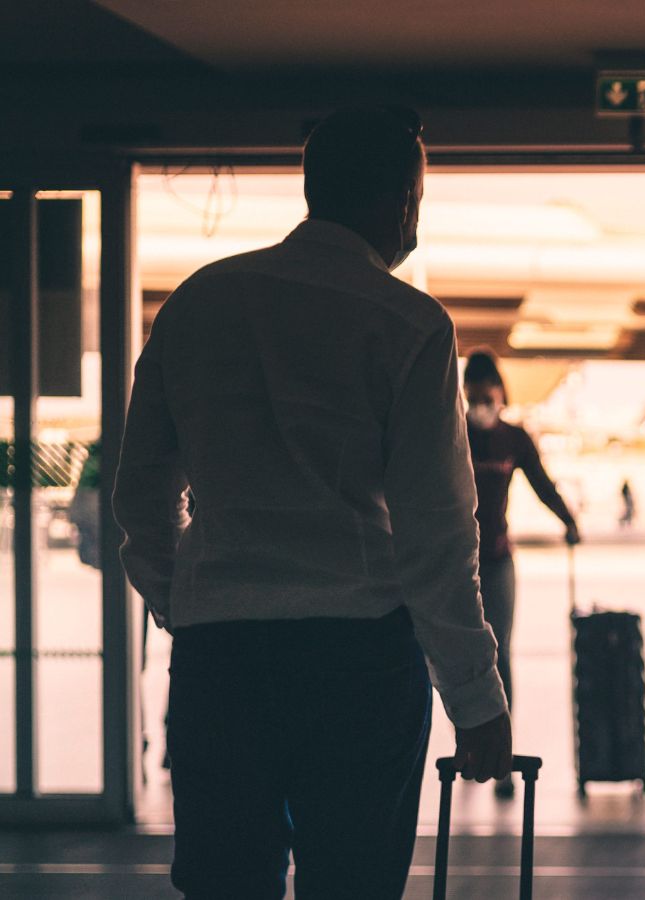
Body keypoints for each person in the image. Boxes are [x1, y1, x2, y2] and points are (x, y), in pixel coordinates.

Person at [114, 106, 511, 900]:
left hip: (219, 658)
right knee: (352, 883)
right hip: (357, 659)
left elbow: (142, 492)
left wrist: (186, 600)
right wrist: (475, 695)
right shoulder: (408, 324)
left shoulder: (198, 302)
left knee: (226, 882)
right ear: (403, 200)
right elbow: (436, 534)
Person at [462, 349, 581, 797]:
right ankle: (467, 744)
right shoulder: (453, 435)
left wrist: (568, 520)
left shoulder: (514, 439)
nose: (481, 406)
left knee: (499, 654)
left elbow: (542, 482)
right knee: (457, 653)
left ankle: (500, 757)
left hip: (496, 559)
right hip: (455, 563)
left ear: (501, 396)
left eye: (487, 397)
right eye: (473, 398)